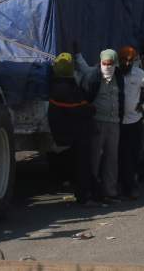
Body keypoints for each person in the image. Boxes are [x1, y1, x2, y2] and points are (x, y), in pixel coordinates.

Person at [77, 49, 125, 202]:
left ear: (115, 63)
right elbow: (85, 99)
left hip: (114, 123)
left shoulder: (118, 76)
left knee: (112, 158)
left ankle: (110, 191)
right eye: (104, 64)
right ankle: (92, 190)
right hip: (98, 122)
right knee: (94, 158)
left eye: (110, 64)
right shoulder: (94, 76)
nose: (107, 67)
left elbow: (121, 97)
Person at [47, 53, 94, 205]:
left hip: (61, 133)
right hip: (76, 133)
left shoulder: (54, 85)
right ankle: (84, 196)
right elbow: (80, 108)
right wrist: (91, 108)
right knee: (82, 165)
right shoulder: (68, 88)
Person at [117, 46, 144, 200]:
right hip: (118, 123)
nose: (127, 64)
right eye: (124, 60)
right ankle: (125, 187)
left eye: (130, 61)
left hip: (135, 122)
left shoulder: (138, 74)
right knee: (122, 156)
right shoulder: (114, 73)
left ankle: (131, 185)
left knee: (134, 155)